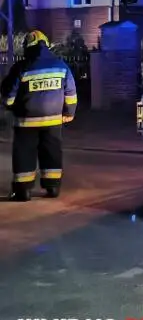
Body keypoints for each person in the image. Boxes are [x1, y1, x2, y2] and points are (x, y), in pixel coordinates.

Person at [2, 30, 78, 201]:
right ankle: (53, 187)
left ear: (27, 47)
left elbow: (9, 96)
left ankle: (23, 191)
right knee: (52, 152)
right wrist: (69, 113)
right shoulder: (61, 65)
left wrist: (9, 106)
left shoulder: (22, 67)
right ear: (46, 45)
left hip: (26, 122)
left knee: (24, 153)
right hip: (53, 121)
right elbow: (71, 92)